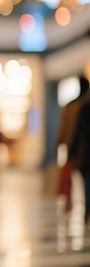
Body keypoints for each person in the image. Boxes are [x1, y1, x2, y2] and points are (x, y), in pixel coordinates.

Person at [69, 82, 90, 225]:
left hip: (85, 154)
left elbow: (76, 133)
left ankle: (87, 209)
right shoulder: (81, 108)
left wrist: (72, 151)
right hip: (85, 154)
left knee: (86, 183)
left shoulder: (81, 108)